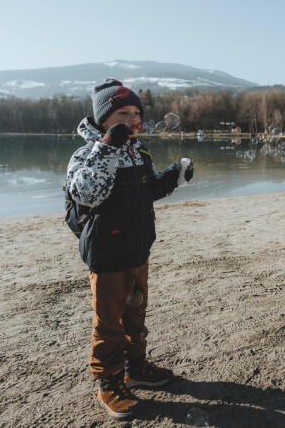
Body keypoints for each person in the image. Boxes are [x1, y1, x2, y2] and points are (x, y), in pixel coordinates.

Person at [66, 78, 193, 419]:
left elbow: (146, 191)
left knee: (135, 314)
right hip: (106, 252)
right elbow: (85, 193)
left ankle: (135, 367)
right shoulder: (85, 153)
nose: (132, 119)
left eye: (136, 112)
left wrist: (174, 176)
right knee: (109, 322)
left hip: (138, 246)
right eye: (123, 113)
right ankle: (109, 382)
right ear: (103, 119)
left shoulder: (140, 151)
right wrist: (107, 147)